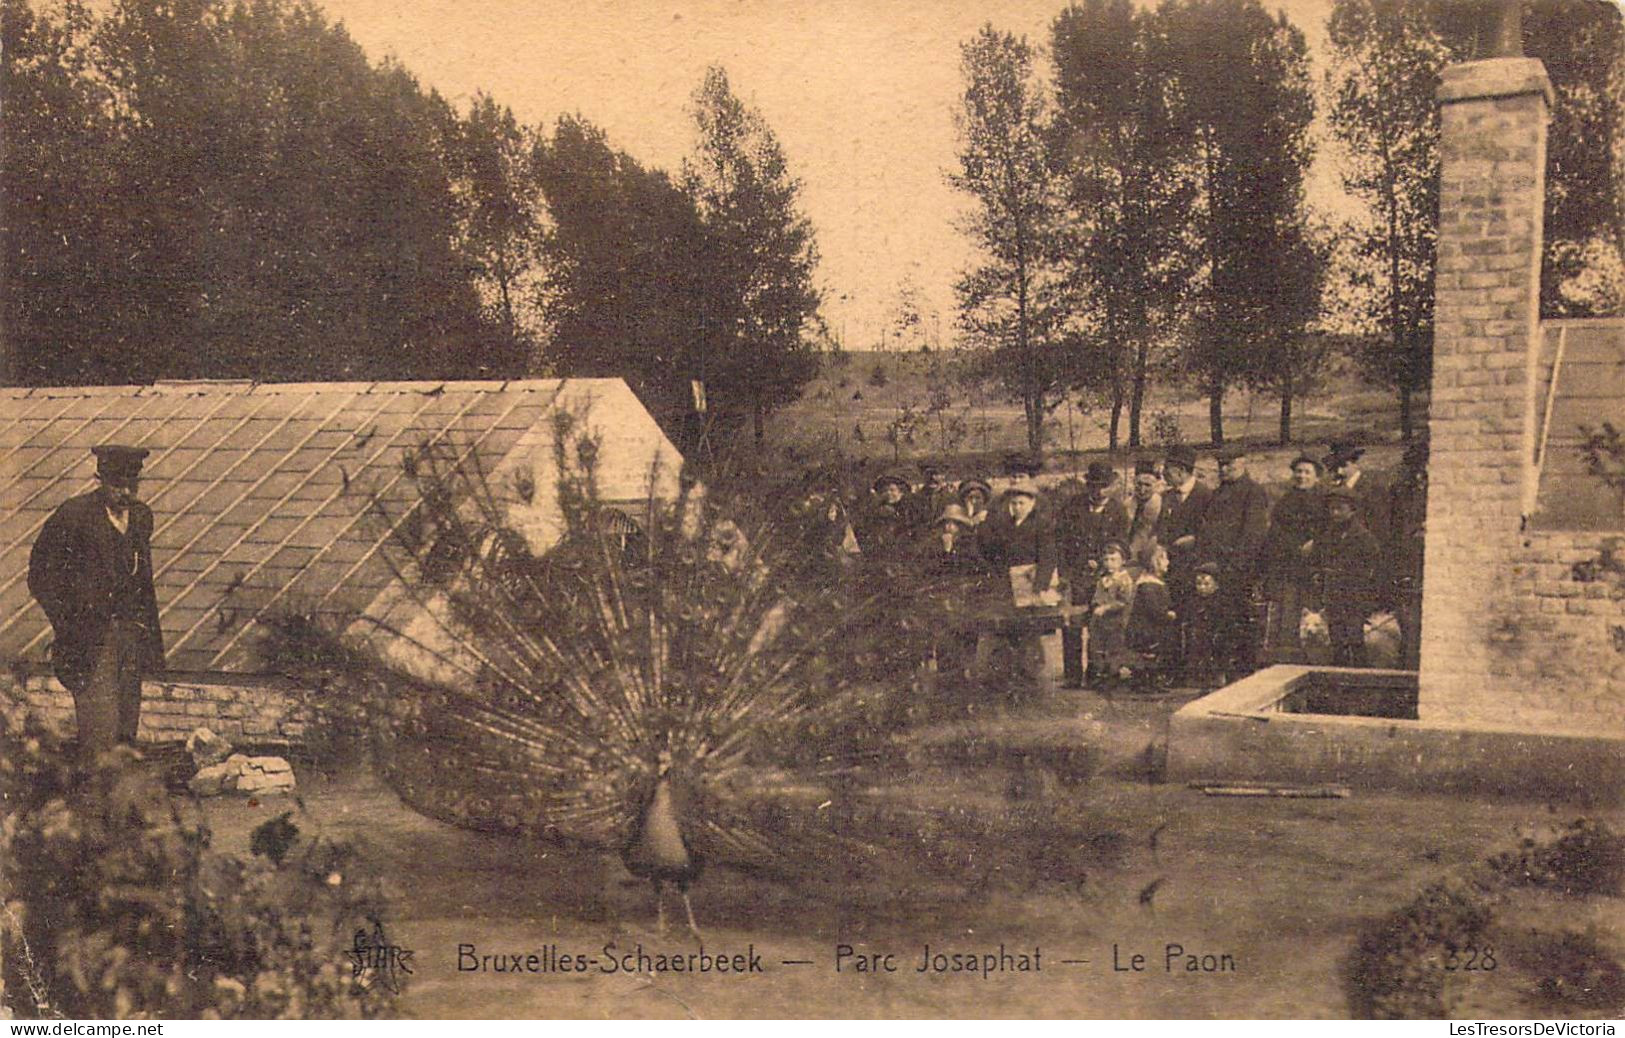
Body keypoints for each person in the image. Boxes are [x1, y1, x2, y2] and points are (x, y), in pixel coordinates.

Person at [28, 445, 165, 757]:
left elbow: (141, 576)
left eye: (133, 484)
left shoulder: (142, 517)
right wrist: (69, 624)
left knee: (126, 731)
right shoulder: (75, 516)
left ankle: (122, 801)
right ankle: (96, 800)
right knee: (99, 734)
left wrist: (143, 631)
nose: (126, 493)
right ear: (100, 480)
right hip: (91, 640)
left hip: (130, 635)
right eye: (117, 485)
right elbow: (40, 575)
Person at [1195, 445, 1271, 676]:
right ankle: (1221, 670)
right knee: (1217, 620)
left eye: (1229, 465)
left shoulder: (1253, 492)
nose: (1224, 469)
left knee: (1240, 620)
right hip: (1215, 567)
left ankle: (1243, 672)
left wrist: (1236, 566)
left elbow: (1253, 534)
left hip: (1239, 569)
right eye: (1221, 466)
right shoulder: (1218, 493)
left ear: (1242, 463)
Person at [1054, 461, 1128, 687]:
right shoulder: (1073, 506)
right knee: (1073, 624)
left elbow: (1120, 544)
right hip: (1076, 576)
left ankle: (1100, 673)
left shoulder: (1118, 510)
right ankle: (1073, 675)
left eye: (1103, 486)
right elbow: (1061, 540)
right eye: (1093, 486)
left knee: (1102, 625)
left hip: (1103, 578)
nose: (1098, 491)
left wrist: (1105, 562)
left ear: (1111, 486)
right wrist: (1065, 572)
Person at [1260, 454, 1325, 662]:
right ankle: (1289, 661)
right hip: (1289, 568)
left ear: (1317, 477)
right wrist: (1294, 548)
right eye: (1298, 471)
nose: (1302, 476)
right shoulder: (1285, 502)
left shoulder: (1324, 500)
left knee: (1314, 616)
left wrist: (1316, 543)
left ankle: (1316, 660)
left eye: (1307, 472)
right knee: (1288, 615)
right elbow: (1275, 534)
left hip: (1316, 568)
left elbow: (1329, 529)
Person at [1311, 485, 1384, 667]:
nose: (1335, 513)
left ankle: (1360, 674)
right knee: (1336, 637)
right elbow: (1317, 561)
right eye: (1332, 509)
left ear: (1352, 510)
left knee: (1355, 637)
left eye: (1340, 509)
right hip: (1333, 594)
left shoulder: (1364, 537)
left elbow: (1374, 567)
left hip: (1355, 595)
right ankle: (1339, 675)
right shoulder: (1326, 536)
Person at [1155, 444, 1212, 620]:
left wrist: (1195, 539)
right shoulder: (1166, 497)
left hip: (1196, 565)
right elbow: (1161, 528)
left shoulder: (1207, 496)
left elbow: (1213, 530)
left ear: (1180, 471)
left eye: (1167, 470)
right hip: (1171, 566)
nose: (1163, 474)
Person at [1389, 438, 1428, 669]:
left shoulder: (1441, 490)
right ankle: (1406, 665)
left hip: (1429, 560)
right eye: (1416, 467)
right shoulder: (1401, 490)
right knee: (1406, 620)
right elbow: (1395, 527)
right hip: (1406, 559)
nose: (1419, 472)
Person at [1120, 546, 1177, 689]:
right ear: (1155, 561)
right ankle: (1145, 682)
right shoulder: (1148, 585)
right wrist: (1167, 614)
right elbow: (1153, 609)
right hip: (1147, 627)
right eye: (1165, 558)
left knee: (1151, 654)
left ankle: (1149, 681)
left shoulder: (1153, 583)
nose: (1168, 562)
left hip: (1151, 626)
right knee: (1148, 654)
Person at [1087, 541, 1136, 688]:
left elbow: (1123, 601)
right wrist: (1096, 605)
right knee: (1098, 647)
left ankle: (1112, 676)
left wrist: (1107, 607)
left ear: (1123, 561)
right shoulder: (1103, 579)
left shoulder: (1124, 579)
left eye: (1114, 559)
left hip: (1116, 620)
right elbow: (1096, 596)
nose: (1109, 563)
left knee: (1114, 649)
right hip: (1101, 621)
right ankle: (1100, 674)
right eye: (1106, 560)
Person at [1324, 441, 1390, 549]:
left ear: (1355, 464)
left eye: (1343, 465)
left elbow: (1379, 524)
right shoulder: (1336, 488)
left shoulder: (1372, 487)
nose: (1339, 471)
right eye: (1335, 467)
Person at [1181, 562, 1225, 687]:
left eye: (1206, 584)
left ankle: (1216, 676)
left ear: (1216, 585)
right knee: (1196, 653)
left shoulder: (1218, 602)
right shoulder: (1194, 601)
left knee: (1214, 654)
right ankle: (1196, 677)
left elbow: (1221, 619)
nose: (1202, 587)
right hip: (1198, 633)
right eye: (1199, 584)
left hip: (1213, 633)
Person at [857, 472, 912, 563]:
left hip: (906, 552)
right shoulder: (875, 512)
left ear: (901, 492)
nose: (888, 493)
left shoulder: (909, 509)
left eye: (892, 490)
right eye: (884, 491)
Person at [1125, 459, 1163, 572]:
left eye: (1147, 485)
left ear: (1156, 485)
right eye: (1139, 484)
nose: (1142, 490)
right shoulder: (1128, 504)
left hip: (1152, 555)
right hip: (1129, 554)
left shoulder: (1161, 505)